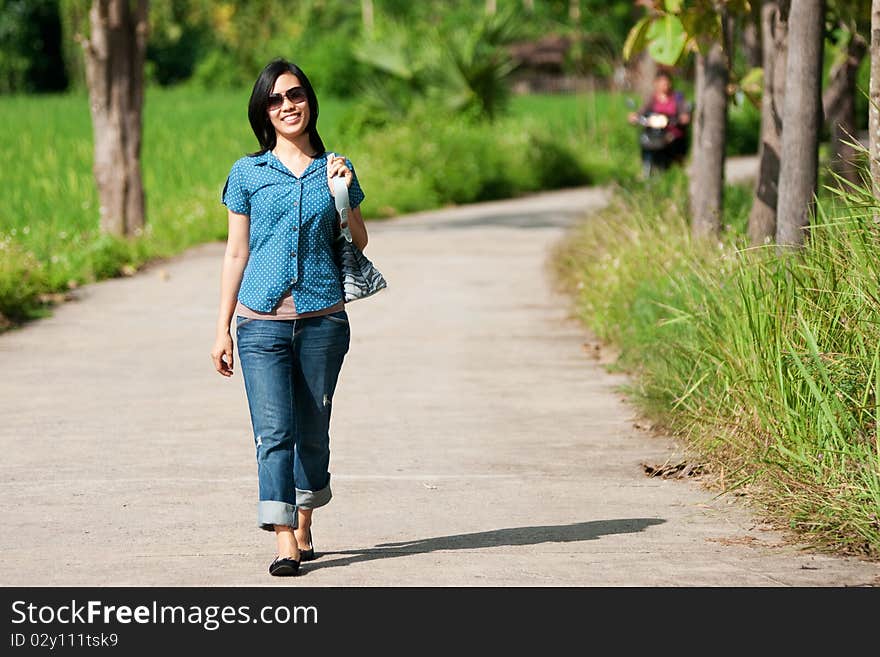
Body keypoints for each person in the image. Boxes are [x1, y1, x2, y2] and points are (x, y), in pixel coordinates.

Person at [210, 58, 369, 577]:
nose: (287, 106)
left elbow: (359, 242)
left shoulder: (337, 168)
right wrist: (221, 329)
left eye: (295, 95)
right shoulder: (247, 173)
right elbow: (236, 253)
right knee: (273, 431)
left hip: (324, 320)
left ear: (309, 101)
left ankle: (304, 516)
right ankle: (283, 538)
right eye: (275, 100)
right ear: (264, 111)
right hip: (260, 324)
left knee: (313, 429)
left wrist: (344, 194)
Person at [628, 70, 691, 169]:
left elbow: (683, 112)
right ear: (656, 83)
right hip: (655, 131)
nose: (664, 86)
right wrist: (635, 116)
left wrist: (683, 117)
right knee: (645, 141)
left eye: (666, 83)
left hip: (671, 131)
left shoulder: (677, 97)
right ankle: (646, 166)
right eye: (661, 83)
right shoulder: (652, 98)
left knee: (673, 142)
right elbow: (643, 110)